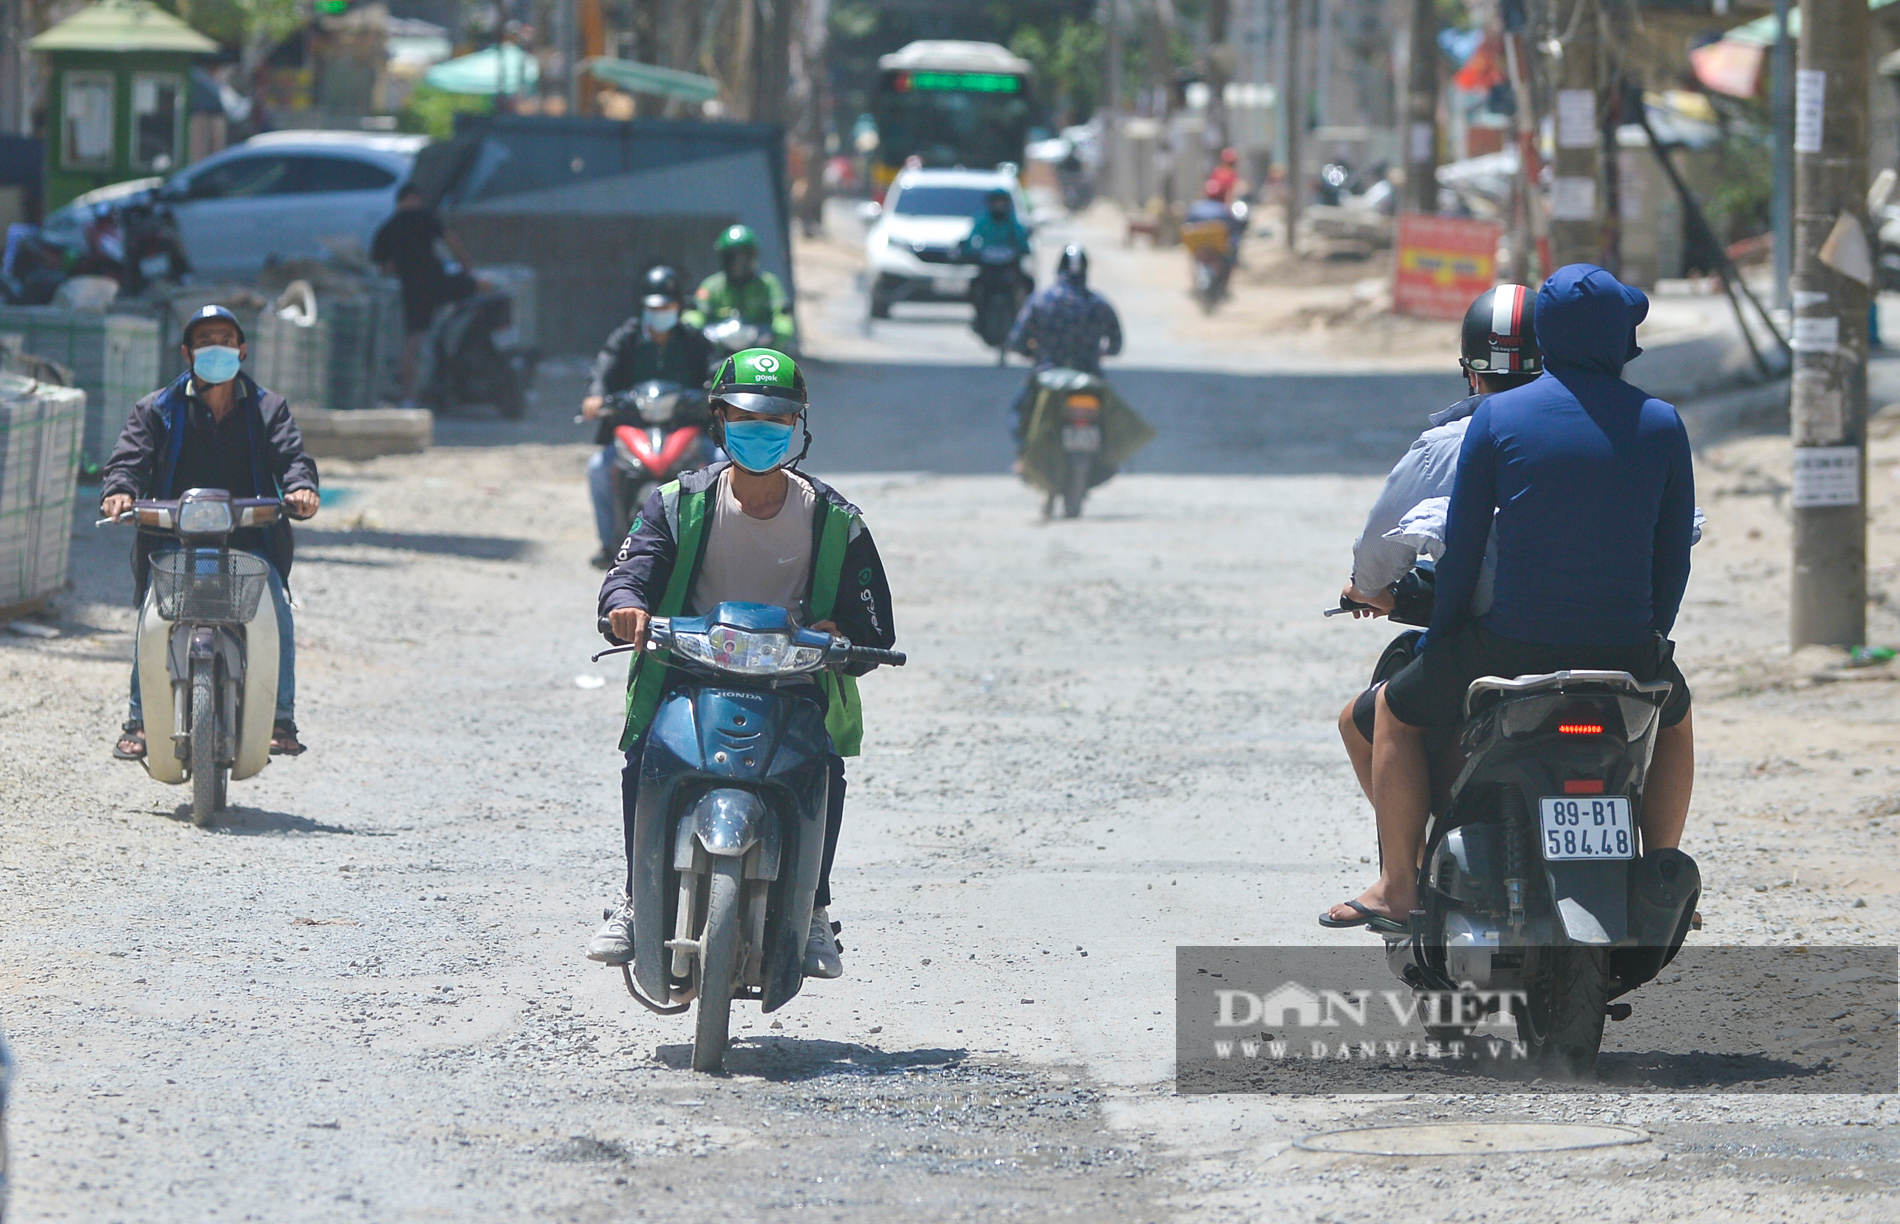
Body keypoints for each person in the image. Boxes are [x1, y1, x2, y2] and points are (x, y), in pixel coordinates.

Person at [1323, 265, 1696, 931]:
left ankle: (1399, 887)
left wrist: (1443, 643)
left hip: (1507, 645)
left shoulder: (1499, 417)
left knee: (1392, 717)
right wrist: (1653, 645)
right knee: (1673, 714)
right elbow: (1671, 560)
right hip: (1627, 649)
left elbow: (1461, 554)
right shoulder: (1662, 423)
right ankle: (1659, 871)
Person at [590, 349, 897, 979]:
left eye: (777, 419)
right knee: (644, 758)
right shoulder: (676, 504)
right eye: (746, 416)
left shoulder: (836, 521)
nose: (761, 430)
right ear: (719, 421)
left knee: (824, 770)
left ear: (799, 427)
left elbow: (874, 627)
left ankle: (813, 908)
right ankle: (631, 899)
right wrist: (626, 608)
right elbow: (630, 573)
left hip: (791, 680)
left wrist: (843, 634)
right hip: (692, 672)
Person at [100, 305, 320, 760]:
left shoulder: (269, 408)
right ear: (187, 353)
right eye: (204, 341)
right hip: (172, 543)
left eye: (224, 338)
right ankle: (139, 721)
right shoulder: (155, 409)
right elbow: (128, 461)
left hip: (249, 544)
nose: (215, 347)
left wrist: (300, 488)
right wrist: (120, 492)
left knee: (277, 608)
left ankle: (281, 717)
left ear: (242, 349)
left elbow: (292, 458)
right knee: (150, 618)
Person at [580, 265, 715, 567]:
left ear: (679, 306)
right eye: (652, 307)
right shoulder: (625, 337)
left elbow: (714, 370)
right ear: (642, 306)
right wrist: (596, 396)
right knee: (598, 469)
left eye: (666, 306)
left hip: (687, 429)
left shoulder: (694, 339)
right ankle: (608, 544)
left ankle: (717, 544)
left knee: (722, 464)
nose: (659, 313)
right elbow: (603, 368)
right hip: (633, 429)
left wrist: (714, 396)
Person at [1004, 244, 1123, 447]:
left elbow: (1016, 341)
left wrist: (1031, 352)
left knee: (1017, 415)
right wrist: (1102, 352)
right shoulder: (1100, 304)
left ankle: (1025, 458)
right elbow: (1116, 345)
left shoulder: (1040, 301)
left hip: (1047, 376)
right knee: (1115, 422)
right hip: (1091, 376)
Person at [371, 184, 475, 404]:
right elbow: (450, 239)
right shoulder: (425, 217)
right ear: (414, 198)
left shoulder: (388, 228)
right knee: (485, 287)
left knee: (412, 341)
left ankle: (407, 397)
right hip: (438, 281)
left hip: (413, 288)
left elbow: (383, 268)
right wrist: (466, 265)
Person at [683, 225, 795, 346]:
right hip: (718, 349)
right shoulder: (711, 285)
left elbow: (781, 314)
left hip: (758, 348)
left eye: (744, 258)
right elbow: (697, 311)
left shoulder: (768, 283)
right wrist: (692, 325)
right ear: (723, 258)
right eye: (732, 257)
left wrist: (780, 330)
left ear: (754, 257)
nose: (738, 264)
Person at [960, 187, 1031, 265]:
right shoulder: (982, 220)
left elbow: (1020, 238)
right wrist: (969, 249)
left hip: (1009, 265)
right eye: (996, 201)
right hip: (986, 264)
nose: (999, 205)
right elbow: (973, 238)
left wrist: (1022, 247)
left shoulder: (1012, 220)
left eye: (1002, 202)